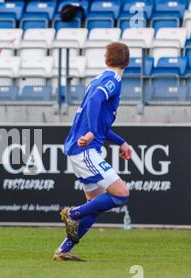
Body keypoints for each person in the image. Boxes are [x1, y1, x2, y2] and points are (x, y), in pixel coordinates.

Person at [54, 42, 132, 262]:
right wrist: (92, 132)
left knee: (94, 206)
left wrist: (121, 142)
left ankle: (63, 250)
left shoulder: (97, 80)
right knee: (121, 194)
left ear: (106, 59)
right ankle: (73, 213)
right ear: (127, 63)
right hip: (86, 150)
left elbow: (100, 119)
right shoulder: (112, 81)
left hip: (80, 149)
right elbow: (96, 101)